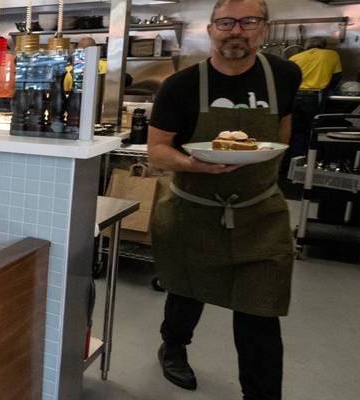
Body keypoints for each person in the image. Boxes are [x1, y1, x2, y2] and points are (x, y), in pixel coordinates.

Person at [145, 1, 301, 399]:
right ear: (211, 29)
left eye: (249, 21)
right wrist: (195, 165)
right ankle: (174, 346)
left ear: (264, 28)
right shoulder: (180, 85)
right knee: (186, 292)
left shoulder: (284, 75)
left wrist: (260, 166)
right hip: (193, 210)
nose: (237, 31)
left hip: (259, 214)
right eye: (226, 22)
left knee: (260, 312)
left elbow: (282, 133)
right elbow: (158, 152)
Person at [285, 36, 342, 175]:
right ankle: (308, 167)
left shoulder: (296, 57)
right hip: (315, 95)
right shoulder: (332, 55)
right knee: (312, 131)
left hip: (294, 96)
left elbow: (287, 78)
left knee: (294, 131)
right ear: (324, 44)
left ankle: (289, 166)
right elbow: (336, 77)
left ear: (306, 46)